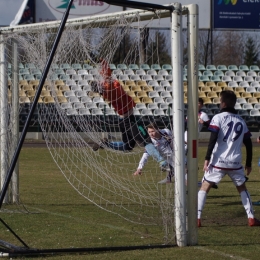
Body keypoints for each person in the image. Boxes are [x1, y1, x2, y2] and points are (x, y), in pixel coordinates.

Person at [91, 60, 170, 171]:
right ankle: (162, 162)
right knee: (145, 141)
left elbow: (106, 73)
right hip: (128, 121)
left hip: (124, 119)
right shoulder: (109, 89)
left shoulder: (106, 88)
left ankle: (105, 144)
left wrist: (102, 62)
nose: (100, 81)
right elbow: (107, 75)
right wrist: (102, 62)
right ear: (100, 86)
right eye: (99, 83)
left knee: (127, 147)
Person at [197, 90, 260, 227]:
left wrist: (207, 158)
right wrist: (248, 163)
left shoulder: (218, 118)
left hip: (218, 161)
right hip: (235, 162)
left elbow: (213, 138)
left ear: (223, 103)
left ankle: (197, 217)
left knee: (205, 186)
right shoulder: (241, 120)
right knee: (242, 188)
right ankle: (251, 218)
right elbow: (249, 143)